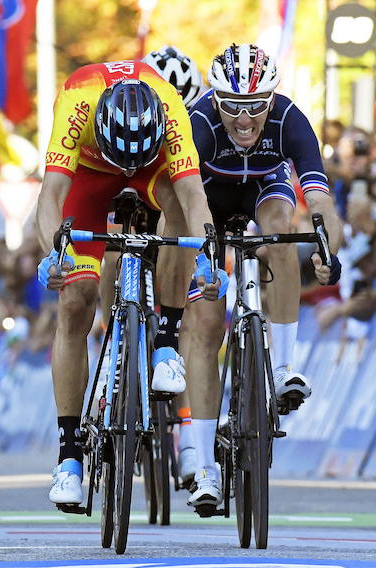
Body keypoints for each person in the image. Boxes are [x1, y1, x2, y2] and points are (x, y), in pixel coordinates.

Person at [36, 60, 228, 507]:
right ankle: (68, 457)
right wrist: (55, 256)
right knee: (74, 301)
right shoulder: (75, 104)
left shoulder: (171, 108)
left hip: (153, 168)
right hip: (91, 169)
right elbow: (50, 197)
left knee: (176, 213)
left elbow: (195, 196)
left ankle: (165, 339)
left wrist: (207, 257)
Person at [181, 44, 343, 510]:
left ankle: (282, 366)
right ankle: (206, 468)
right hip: (206, 199)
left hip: (263, 190)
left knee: (279, 231)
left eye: (255, 107)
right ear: (216, 101)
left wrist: (328, 252)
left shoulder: (290, 118)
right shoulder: (200, 125)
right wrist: (205, 262)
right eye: (233, 108)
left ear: (272, 99)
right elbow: (186, 203)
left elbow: (321, 203)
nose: (245, 120)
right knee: (207, 324)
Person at [141, 44, 205, 486]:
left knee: (191, 324)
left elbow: (194, 201)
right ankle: (117, 354)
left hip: (176, 205)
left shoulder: (199, 129)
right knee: (110, 263)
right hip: (134, 196)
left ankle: (188, 436)